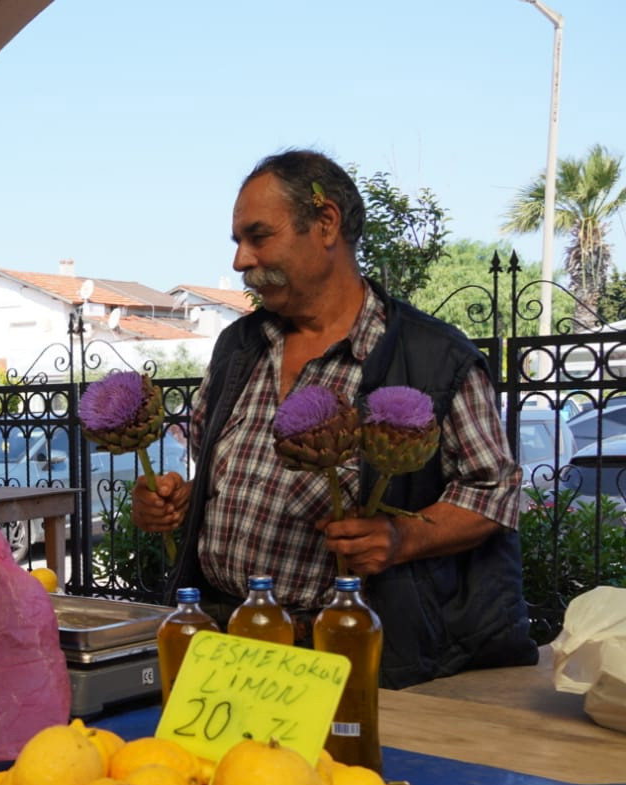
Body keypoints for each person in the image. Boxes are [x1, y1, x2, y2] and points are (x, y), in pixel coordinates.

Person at [132, 150, 537, 688]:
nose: (240, 261)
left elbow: (496, 493)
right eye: (237, 242)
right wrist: (171, 502)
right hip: (225, 644)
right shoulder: (238, 346)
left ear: (326, 224)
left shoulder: (436, 359)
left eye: (258, 236)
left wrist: (400, 539)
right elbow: (212, 473)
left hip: (352, 658)